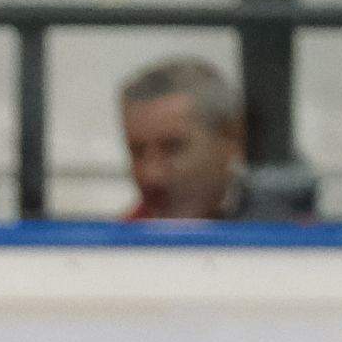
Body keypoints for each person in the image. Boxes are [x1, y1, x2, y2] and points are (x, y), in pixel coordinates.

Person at [115, 55, 313, 223]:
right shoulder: (119, 243)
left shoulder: (293, 240)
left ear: (231, 137)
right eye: (136, 151)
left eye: (172, 148)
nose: (151, 175)